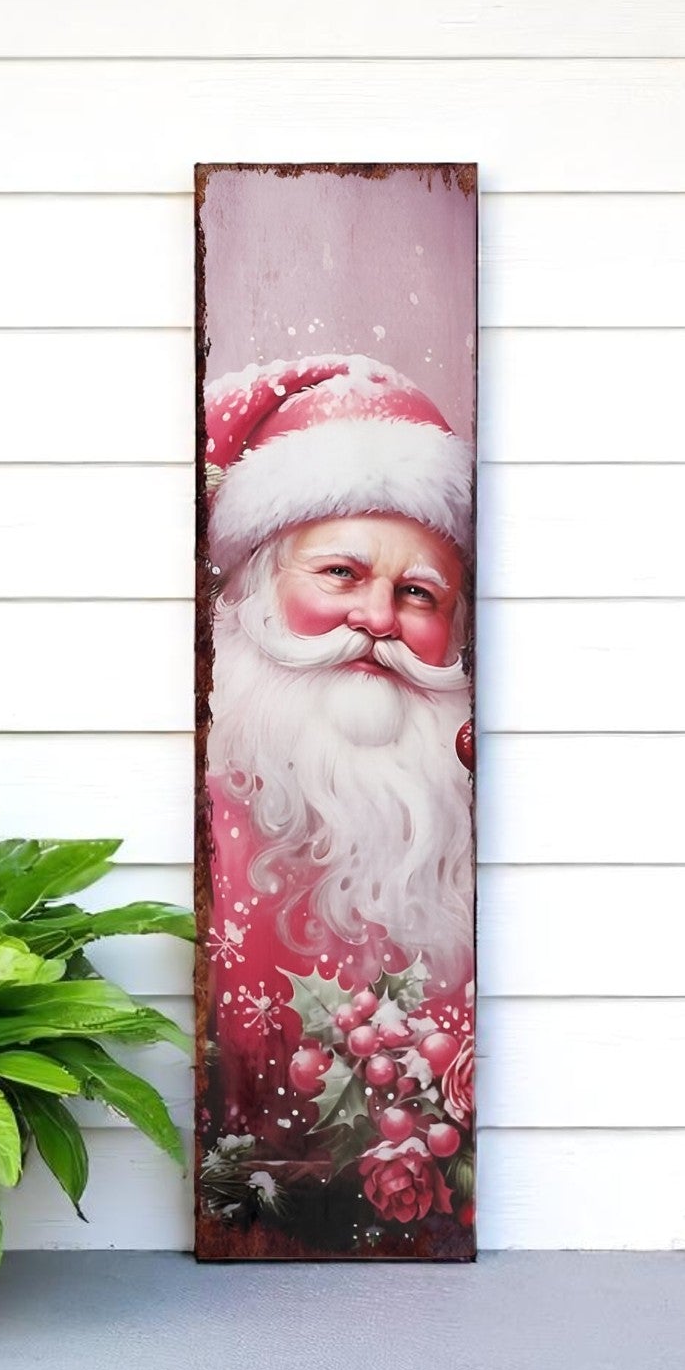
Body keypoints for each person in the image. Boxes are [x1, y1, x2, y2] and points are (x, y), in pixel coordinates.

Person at [201, 356, 476, 1164]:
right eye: (341, 574)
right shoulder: (206, 811)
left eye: (418, 593)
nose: (379, 618)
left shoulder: (468, 817)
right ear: (257, 587)